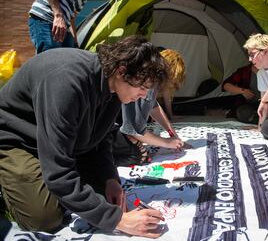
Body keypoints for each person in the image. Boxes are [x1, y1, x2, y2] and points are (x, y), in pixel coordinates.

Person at [0, 36, 169, 238]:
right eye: (142, 88)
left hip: (60, 142)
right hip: (18, 140)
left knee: (104, 198)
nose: (143, 95)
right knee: (45, 218)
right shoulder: (66, 83)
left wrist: (110, 178)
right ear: (122, 70)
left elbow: (100, 138)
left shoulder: (113, 84)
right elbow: (58, 173)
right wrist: (118, 220)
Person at [157, 49, 186, 120]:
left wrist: (170, 115)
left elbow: (167, 99)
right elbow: (151, 103)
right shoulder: (152, 77)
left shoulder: (165, 82)